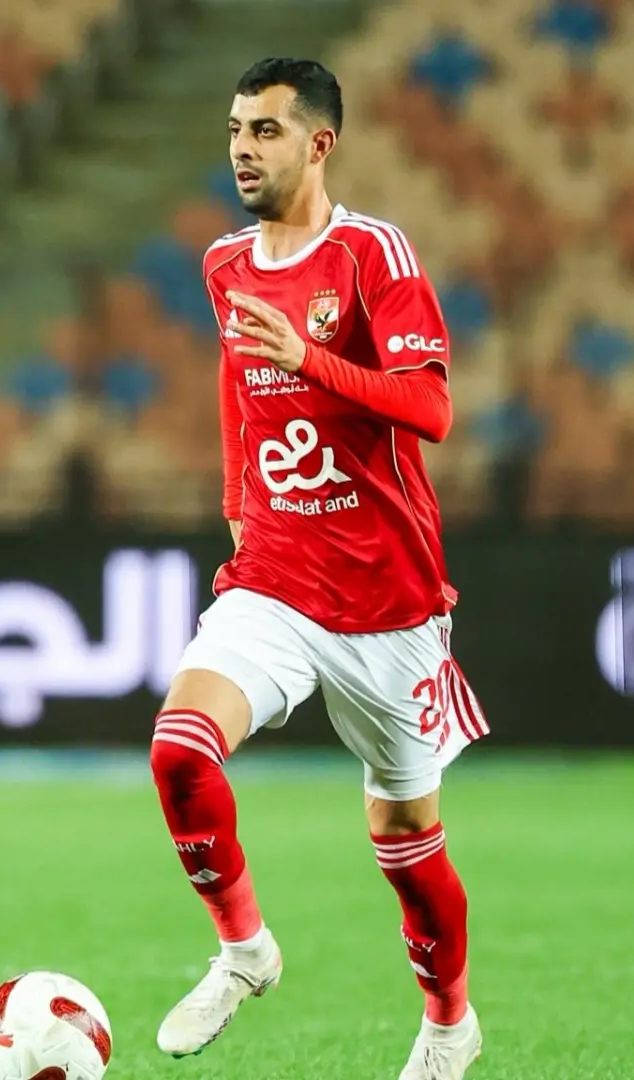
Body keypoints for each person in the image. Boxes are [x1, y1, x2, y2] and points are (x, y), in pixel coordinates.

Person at [149, 58, 489, 1080]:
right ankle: (245, 950)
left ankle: (449, 1023)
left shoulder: (372, 253)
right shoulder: (224, 264)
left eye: (264, 130)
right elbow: (236, 390)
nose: (243, 149)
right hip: (275, 578)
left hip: (389, 603)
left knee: (408, 844)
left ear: (318, 142)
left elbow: (430, 408)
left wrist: (312, 360)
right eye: (234, 130)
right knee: (179, 751)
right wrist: (238, 508)